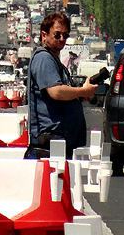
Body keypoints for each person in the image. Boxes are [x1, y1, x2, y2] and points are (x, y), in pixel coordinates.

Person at [26, 12, 97, 158]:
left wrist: (80, 94)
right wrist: (82, 91)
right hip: (51, 141)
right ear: (44, 35)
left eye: (65, 35)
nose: (62, 39)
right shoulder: (44, 58)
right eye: (57, 35)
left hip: (58, 139)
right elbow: (56, 92)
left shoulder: (53, 59)